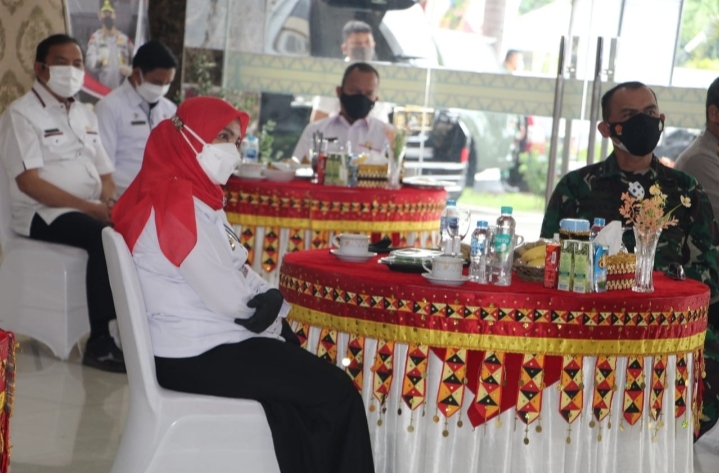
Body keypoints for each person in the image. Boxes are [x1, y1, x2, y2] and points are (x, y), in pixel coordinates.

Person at [112, 96, 375, 473]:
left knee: (300, 390)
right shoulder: (177, 205)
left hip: (195, 344)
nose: (232, 150)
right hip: (198, 352)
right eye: (221, 136)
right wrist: (273, 318)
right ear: (189, 136)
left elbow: (237, 267)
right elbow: (230, 300)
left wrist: (269, 295)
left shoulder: (192, 195)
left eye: (236, 140)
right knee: (338, 393)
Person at [540, 81, 719, 438]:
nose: (644, 121)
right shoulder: (577, 189)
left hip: (667, 337)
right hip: (589, 336)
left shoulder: (686, 191)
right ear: (607, 128)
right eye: (630, 115)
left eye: (650, 113)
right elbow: (549, 265)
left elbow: (710, 274)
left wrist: (658, 282)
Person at [0, 34, 124, 372]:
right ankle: (100, 342)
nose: (71, 70)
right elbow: (29, 183)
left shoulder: (85, 114)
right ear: (40, 68)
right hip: (41, 213)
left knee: (130, 227)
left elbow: (106, 174)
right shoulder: (21, 114)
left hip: (87, 207)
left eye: (77, 63)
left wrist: (109, 202)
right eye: (61, 63)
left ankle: (128, 330)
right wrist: (93, 209)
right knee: (102, 235)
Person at [95, 40, 178, 194]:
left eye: (168, 83)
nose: (162, 89)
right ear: (136, 74)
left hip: (164, 195)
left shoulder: (170, 109)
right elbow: (104, 167)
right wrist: (145, 188)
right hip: (125, 196)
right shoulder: (109, 107)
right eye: (157, 82)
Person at [294, 62, 391, 161]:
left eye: (368, 94)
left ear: (376, 99)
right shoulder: (315, 130)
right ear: (339, 91)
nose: (361, 98)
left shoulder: (386, 136)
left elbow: (394, 168)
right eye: (355, 91)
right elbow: (296, 167)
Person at [310, 21, 392, 123]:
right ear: (345, 48)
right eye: (358, 43)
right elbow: (317, 120)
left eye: (367, 42)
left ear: (374, 44)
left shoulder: (383, 74)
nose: (363, 47)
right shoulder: (335, 76)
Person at [86, 0, 134, 90]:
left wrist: (131, 70)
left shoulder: (125, 40)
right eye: (105, 13)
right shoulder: (95, 39)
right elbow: (90, 64)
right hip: (103, 90)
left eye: (110, 13)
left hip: (124, 90)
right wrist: (99, 59)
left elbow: (138, 60)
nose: (108, 16)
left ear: (115, 16)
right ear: (99, 16)